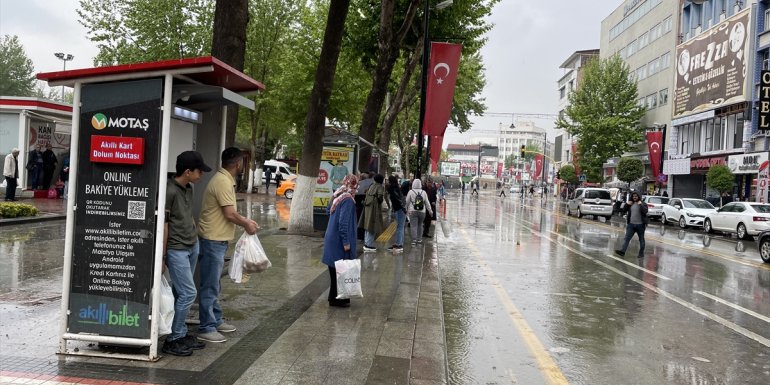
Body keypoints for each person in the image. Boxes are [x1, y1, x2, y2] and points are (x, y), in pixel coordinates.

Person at [197, 147, 259, 343]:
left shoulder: (225, 180)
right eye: (243, 163)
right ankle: (206, 326)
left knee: (214, 283)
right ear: (238, 163)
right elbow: (229, 214)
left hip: (217, 239)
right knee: (209, 285)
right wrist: (247, 223)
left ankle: (215, 320)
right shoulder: (223, 181)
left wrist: (245, 222)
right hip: (212, 240)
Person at [161, 151, 212, 356]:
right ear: (188, 171)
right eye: (200, 171)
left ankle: (180, 333)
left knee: (180, 292)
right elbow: (164, 225)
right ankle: (173, 338)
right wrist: (163, 256)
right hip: (176, 249)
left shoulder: (188, 188)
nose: (201, 175)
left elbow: (188, 214)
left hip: (192, 245)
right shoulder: (169, 191)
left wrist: (195, 235)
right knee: (189, 293)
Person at [322, 174, 359, 307]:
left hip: (331, 236)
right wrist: (346, 243)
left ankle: (333, 297)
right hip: (339, 239)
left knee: (334, 269)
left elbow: (328, 211)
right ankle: (338, 299)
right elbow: (343, 223)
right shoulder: (348, 200)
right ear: (353, 185)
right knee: (341, 269)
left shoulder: (337, 194)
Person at [615, 191, 648, 259]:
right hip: (631, 225)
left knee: (641, 239)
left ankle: (641, 254)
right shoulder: (631, 203)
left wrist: (640, 204)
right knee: (626, 239)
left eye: (636, 196)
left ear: (638, 197)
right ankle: (622, 252)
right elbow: (623, 210)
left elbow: (645, 211)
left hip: (640, 225)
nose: (634, 197)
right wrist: (627, 204)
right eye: (633, 196)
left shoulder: (643, 203)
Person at [359, 173, 386, 251]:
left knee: (367, 225)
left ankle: (366, 243)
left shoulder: (371, 185)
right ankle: (369, 245)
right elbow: (380, 196)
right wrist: (379, 201)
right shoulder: (380, 186)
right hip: (374, 207)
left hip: (367, 206)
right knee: (372, 226)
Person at [405, 179, 433, 245]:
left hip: (413, 211)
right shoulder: (424, 192)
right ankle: (419, 239)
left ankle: (414, 241)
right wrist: (430, 211)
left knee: (413, 226)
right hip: (422, 211)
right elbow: (427, 203)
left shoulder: (410, 192)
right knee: (420, 225)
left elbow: (406, 202)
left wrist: (405, 209)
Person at [386, 175, 406, 252]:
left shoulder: (393, 189)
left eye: (388, 180)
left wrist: (403, 208)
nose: (387, 182)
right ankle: (399, 243)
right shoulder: (396, 188)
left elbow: (398, 200)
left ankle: (398, 245)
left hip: (400, 210)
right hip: (400, 209)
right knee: (400, 227)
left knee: (399, 227)